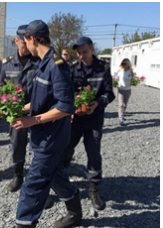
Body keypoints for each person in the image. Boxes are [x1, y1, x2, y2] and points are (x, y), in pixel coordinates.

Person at [10, 20, 82, 228]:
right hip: (44, 134)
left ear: (33, 39)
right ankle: (75, 213)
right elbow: (45, 99)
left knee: (33, 184)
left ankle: (24, 223)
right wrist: (20, 110)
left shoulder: (56, 65)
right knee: (56, 174)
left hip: (52, 137)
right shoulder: (43, 62)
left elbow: (66, 106)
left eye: (25, 41)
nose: (24, 45)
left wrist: (31, 120)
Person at [63, 37, 115, 211]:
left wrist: (97, 103)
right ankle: (60, 181)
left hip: (94, 119)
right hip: (75, 119)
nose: (81, 55)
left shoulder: (103, 68)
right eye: (78, 52)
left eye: (84, 52)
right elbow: (67, 92)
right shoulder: (72, 70)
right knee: (66, 148)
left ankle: (93, 189)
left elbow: (109, 93)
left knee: (93, 153)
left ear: (92, 50)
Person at [0, 25, 39, 192]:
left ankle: (38, 180)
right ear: (17, 40)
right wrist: (1, 107)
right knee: (16, 144)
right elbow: (0, 88)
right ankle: (18, 175)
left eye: (29, 41)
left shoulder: (39, 63)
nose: (27, 45)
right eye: (23, 42)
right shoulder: (8, 64)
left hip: (37, 112)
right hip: (16, 114)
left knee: (38, 146)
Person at [115, 58, 133, 126]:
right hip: (120, 89)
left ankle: (122, 115)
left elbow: (133, 80)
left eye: (125, 64)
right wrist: (115, 83)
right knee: (120, 104)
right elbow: (115, 79)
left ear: (128, 64)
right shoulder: (120, 71)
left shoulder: (130, 72)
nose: (123, 65)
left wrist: (134, 82)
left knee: (125, 104)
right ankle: (121, 119)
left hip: (128, 90)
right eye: (122, 64)